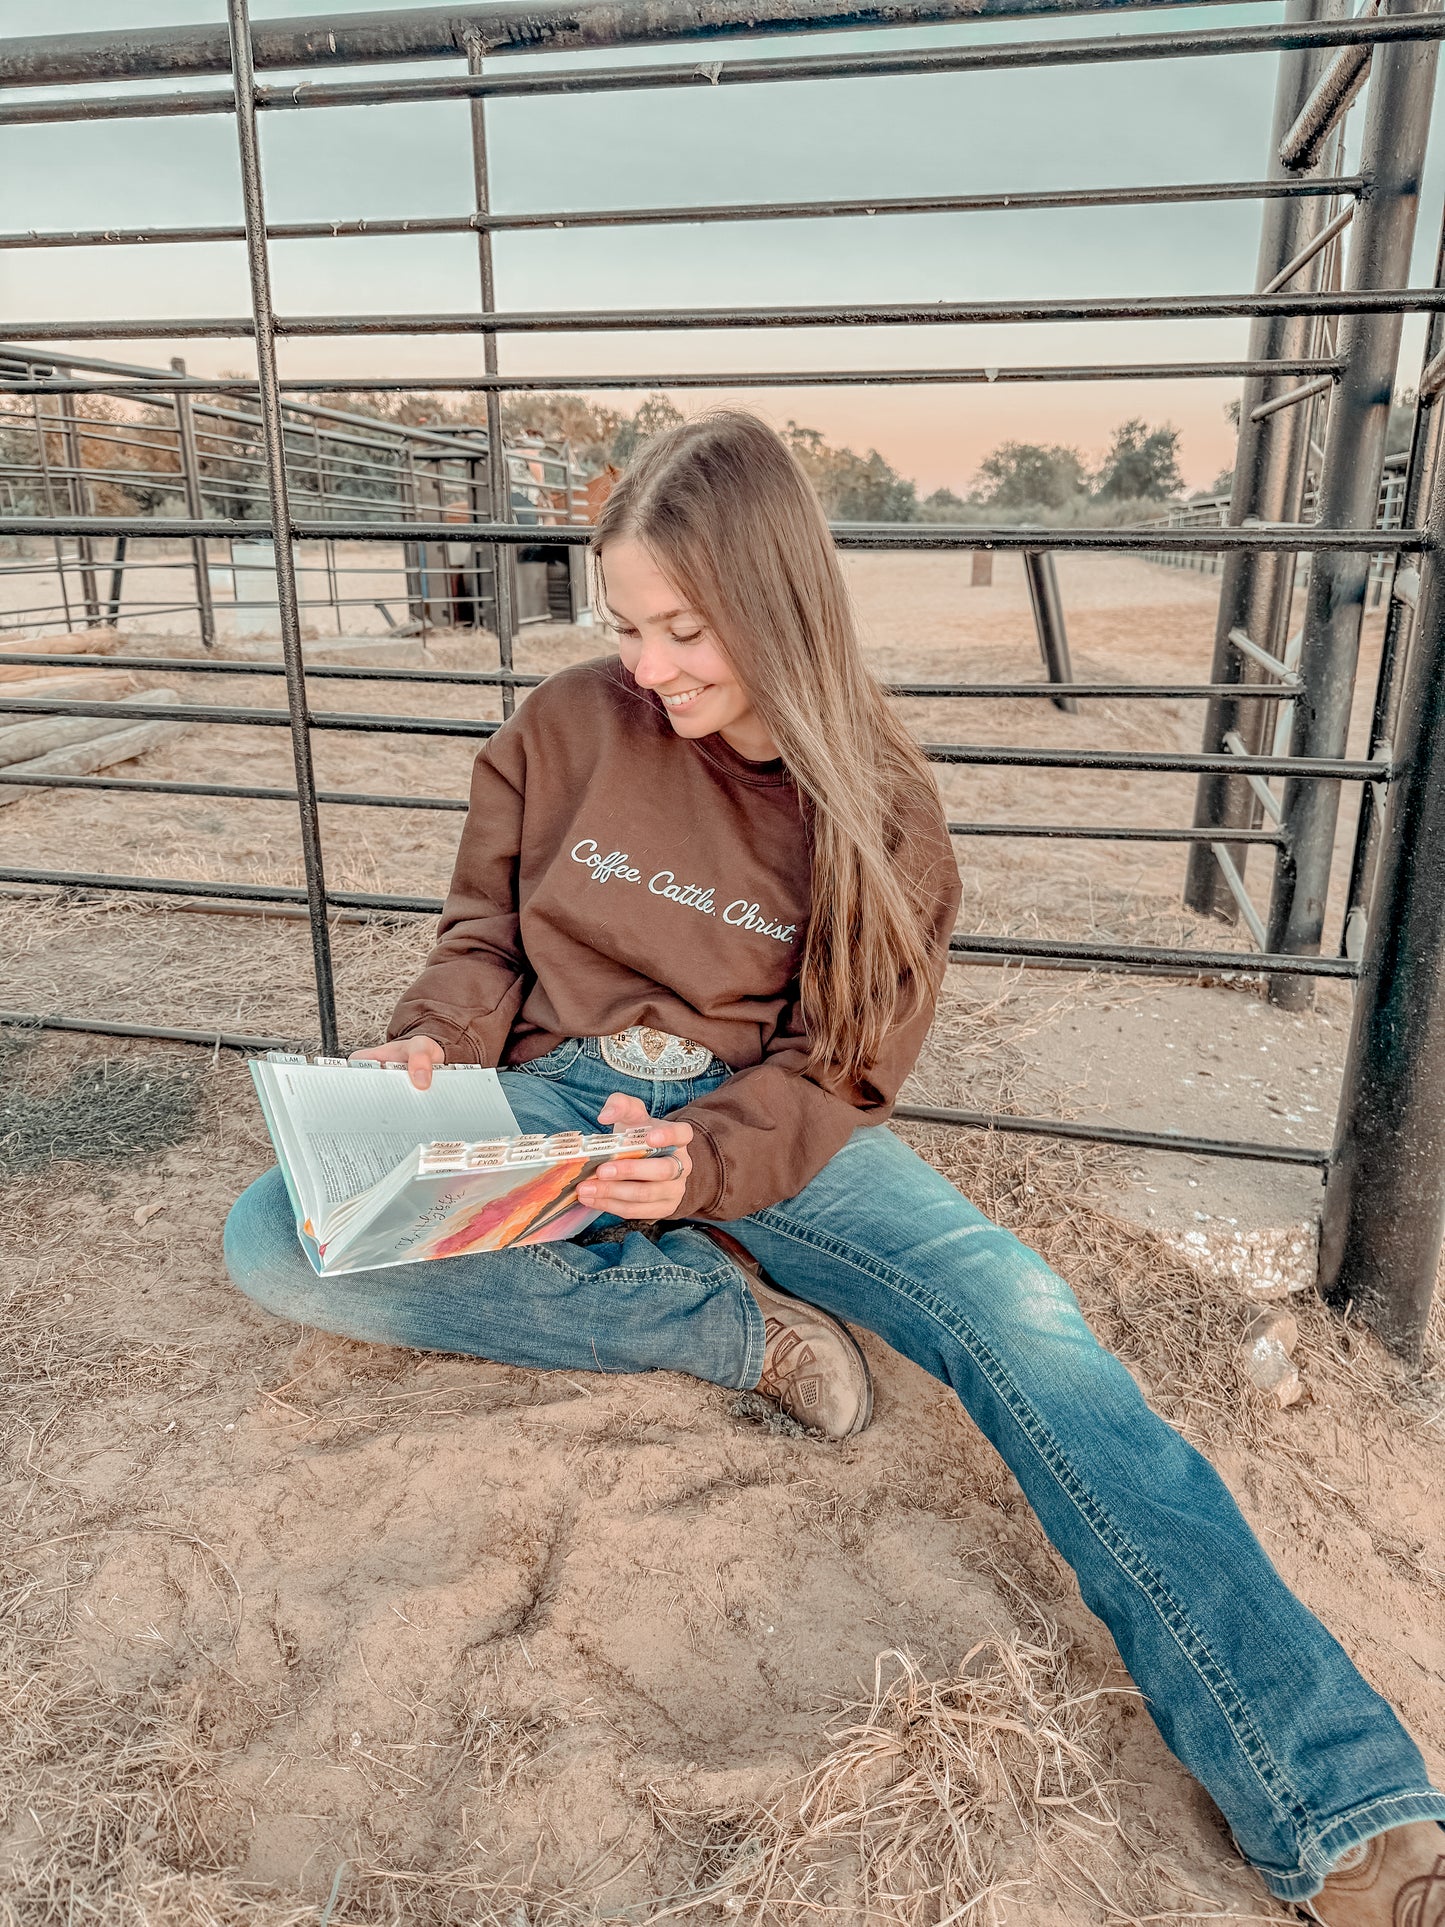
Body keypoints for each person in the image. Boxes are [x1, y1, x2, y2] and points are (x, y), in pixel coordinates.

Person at [225, 412, 1444, 1923]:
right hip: (548, 1090)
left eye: (685, 630)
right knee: (278, 1237)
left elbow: (844, 1064)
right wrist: (432, 1040)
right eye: (626, 625)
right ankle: (732, 1327)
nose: (648, 667)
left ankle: (1338, 1806)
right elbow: (483, 930)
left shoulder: (881, 811)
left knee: (1023, 1318)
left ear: (778, 602)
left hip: (763, 1119)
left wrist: (706, 1162)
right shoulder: (563, 725)